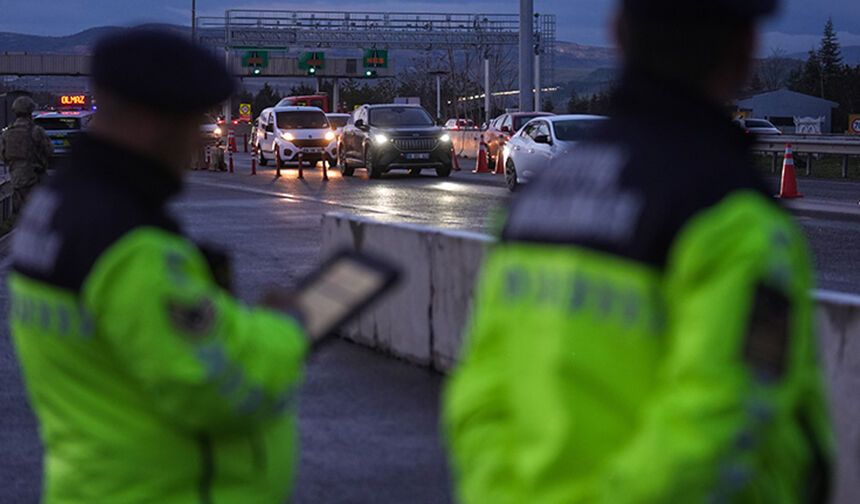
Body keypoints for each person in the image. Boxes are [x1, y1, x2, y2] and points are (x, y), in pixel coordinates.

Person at [444, 0, 833, 502]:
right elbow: (722, 424)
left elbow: (479, 394)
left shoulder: (540, 201)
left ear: (620, 36)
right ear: (744, 51)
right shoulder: (729, 214)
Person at [9, 28, 318, 503]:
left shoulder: (56, 207)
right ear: (155, 123)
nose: (195, 142)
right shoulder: (129, 245)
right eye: (191, 122)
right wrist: (286, 329)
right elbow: (219, 390)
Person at [0, 95, 52, 213]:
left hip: (15, 180)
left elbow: (2, 155)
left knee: (20, 216)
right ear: (30, 111)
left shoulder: (7, 133)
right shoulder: (36, 131)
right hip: (35, 179)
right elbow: (48, 150)